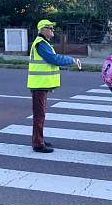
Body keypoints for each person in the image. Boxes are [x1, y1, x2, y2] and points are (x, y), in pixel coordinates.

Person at [28, 19, 81, 153]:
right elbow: (54, 59)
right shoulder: (41, 44)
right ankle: (38, 143)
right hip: (38, 85)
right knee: (39, 115)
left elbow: (49, 65)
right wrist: (72, 60)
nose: (52, 30)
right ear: (42, 30)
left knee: (40, 114)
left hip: (41, 85)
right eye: (50, 28)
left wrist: (49, 85)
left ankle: (39, 139)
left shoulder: (44, 43)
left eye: (52, 28)